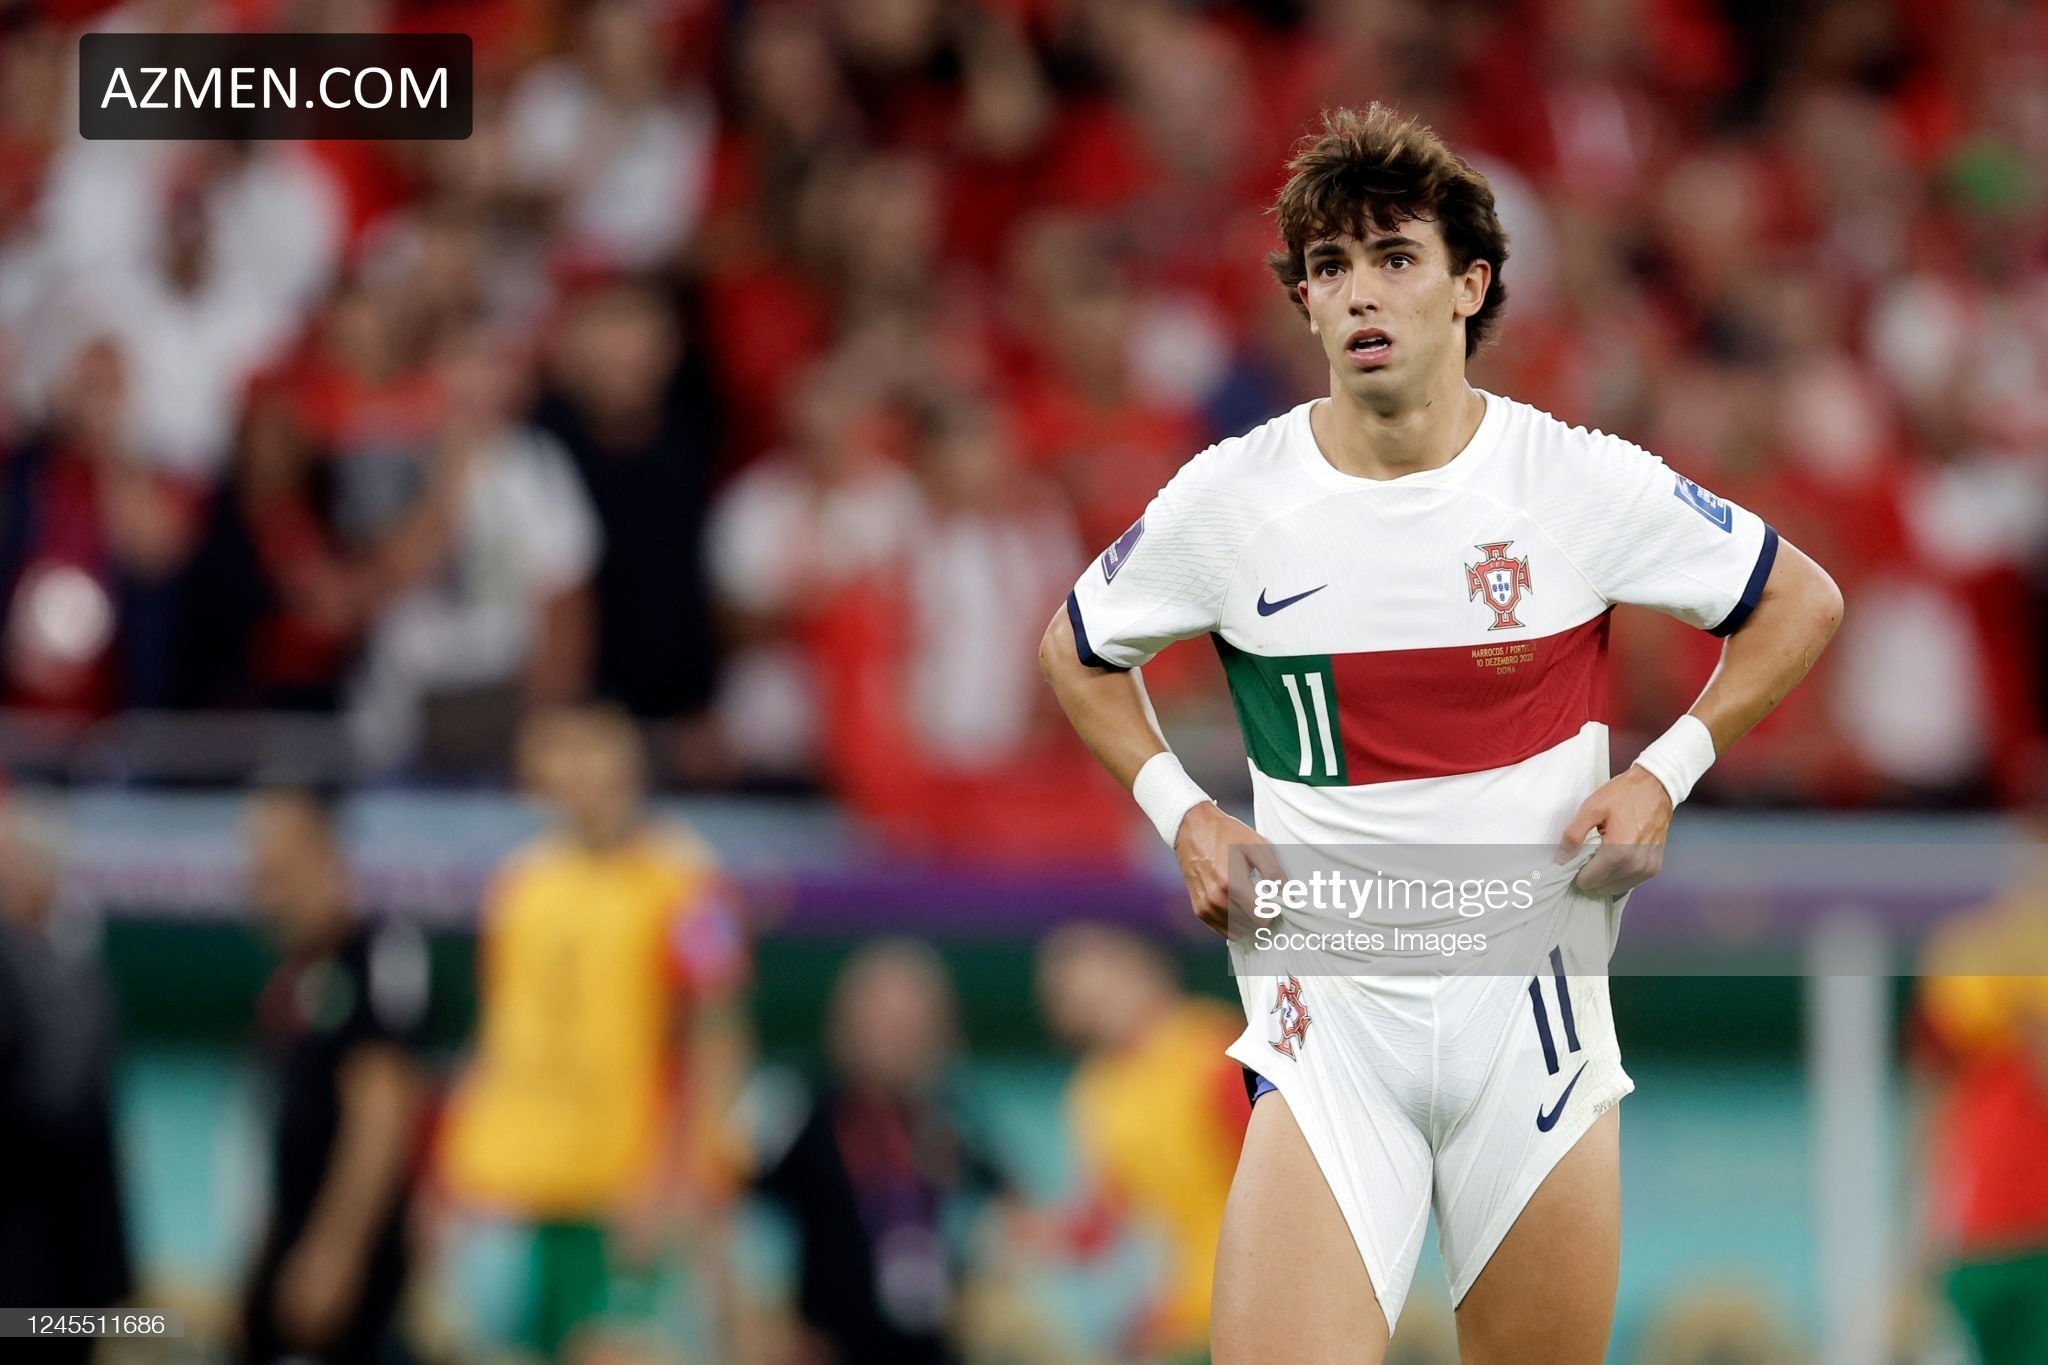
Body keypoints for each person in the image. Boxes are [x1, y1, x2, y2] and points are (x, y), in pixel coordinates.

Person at [1038, 104, 1844, 1363]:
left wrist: (1662, 773)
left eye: (1394, 258)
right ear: (1303, 303)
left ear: (1469, 285)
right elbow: (1075, 650)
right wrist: (1180, 811)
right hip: (1330, 1035)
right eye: (1329, 267)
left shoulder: (1570, 481)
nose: (1360, 292)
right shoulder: (1231, 499)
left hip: (1531, 1030)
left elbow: (1800, 599)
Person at [436, 704, 749, 1361]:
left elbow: (718, 1034)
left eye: (590, 750)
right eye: (556, 753)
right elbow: (496, 1035)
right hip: (515, 1185)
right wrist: (451, 1170)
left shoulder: (689, 881)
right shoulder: (520, 881)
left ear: (628, 760)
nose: (573, 770)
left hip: (623, 1187)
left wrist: (681, 1177)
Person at [241, 784, 434, 1365]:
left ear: (324, 856)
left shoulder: (378, 953)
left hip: (348, 1259)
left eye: (276, 877)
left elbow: (381, 1114)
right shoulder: (293, 976)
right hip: (293, 1246)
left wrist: (336, 1252)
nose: (264, 896)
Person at [751, 939, 1011, 1365]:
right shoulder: (795, 1102)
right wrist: (764, 1320)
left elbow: (1008, 1208)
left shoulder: (953, 1115)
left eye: (911, 1023)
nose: (896, 1037)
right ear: (846, 1022)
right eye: (881, 1020)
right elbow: (731, 1209)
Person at [1035, 924, 1249, 1363]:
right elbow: (1113, 1217)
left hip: (1250, 1302)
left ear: (1148, 969)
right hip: (1172, 1321)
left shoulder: (1218, 1051)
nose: (1099, 1010)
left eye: (1107, 989)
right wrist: (1048, 1235)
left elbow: (1287, 1192)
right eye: (1082, 1005)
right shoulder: (1094, 1091)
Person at [0, 798, 131, 1365]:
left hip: (42, 1252)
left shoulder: (59, 968)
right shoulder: (75, 969)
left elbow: (64, 1101)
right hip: (57, 1255)